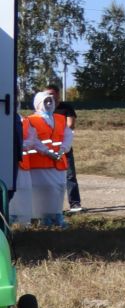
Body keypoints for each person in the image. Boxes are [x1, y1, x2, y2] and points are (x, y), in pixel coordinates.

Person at [16, 89, 72, 228]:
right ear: (38, 103)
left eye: (50, 101)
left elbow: (68, 135)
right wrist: (46, 152)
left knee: (58, 189)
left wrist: (62, 150)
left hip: (58, 162)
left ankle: (55, 216)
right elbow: (33, 139)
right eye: (45, 101)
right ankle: (39, 217)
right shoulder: (31, 120)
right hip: (37, 163)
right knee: (38, 191)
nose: (48, 104)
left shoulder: (60, 118)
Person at [48, 84, 80, 213]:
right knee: (49, 177)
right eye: (46, 94)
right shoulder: (44, 108)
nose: (49, 97)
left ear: (57, 94)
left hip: (64, 147)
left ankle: (75, 204)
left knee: (70, 175)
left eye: (51, 94)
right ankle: (52, 206)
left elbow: (70, 125)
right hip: (47, 149)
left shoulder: (66, 108)